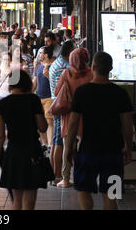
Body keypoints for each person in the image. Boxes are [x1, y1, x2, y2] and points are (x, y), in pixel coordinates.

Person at [65, 52, 134, 210]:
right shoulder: (120, 93)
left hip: (87, 150)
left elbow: (73, 123)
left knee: (83, 188)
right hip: (114, 151)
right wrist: (128, 148)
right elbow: (127, 124)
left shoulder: (82, 92)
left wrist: (68, 148)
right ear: (110, 68)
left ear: (93, 67)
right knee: (111, 194)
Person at [0, 70, 48, 210]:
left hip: (13, 153)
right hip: (32, 150)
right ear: (27, 83)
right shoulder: (33, 100)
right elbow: (43, 128)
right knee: (29, 199)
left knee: (17, 200)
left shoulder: (2, 104)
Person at [54, 48, 93, 188]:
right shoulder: (91, 74)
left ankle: (65, 178)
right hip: (87, 115)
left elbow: (57, 91)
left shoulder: (66, 73)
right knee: (85, 146)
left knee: (68, 146)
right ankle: (85, 174)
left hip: (69, 115)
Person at [49, 40, 75, 185]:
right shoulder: (65, 67)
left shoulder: (56, 62)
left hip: (56, 104)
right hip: (61, 107)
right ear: (69, 52)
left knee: (55, 141)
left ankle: (54, 173)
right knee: (59, 141)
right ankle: (57, 174)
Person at [32, 45, 56, 150]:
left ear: (46, 55)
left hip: (49, 98)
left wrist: (47, 75)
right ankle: (45, 144)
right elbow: (35, 83)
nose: (39, 55)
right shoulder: (39, 67)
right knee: (39, 122)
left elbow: (56, 84)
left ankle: (50, 145)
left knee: (49, 121)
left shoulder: (53, 67)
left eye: (41, 53)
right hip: (38, 98)